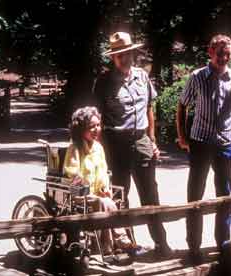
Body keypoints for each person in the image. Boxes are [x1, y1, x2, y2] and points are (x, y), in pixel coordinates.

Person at [93, 31, 171, 257]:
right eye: (119, 55)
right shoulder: (104, 82)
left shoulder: (142, 76)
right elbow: (97, 116)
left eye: (127, 53)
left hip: (142, 140)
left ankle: (161, 243)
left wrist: (153, 141)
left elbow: (149, 109)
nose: (124, 58)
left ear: (132, 53)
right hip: (116, 143)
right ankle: (127, 245)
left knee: (150, 195)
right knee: (120, 196)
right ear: (113, 58)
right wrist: (96, 149)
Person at [176, 34, 231, 263]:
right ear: (210, 52)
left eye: (228, 54)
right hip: (200, 143)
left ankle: (223, 243)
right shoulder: (197, 77)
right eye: (220, 54)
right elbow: (182, 105)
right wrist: (183, 136)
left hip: (224, 145)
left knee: (224, 194)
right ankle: (193, 246)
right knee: (195, 193)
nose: (224, 58)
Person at [63, 106, 142, 259]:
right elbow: (72, 173)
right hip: (80, 195)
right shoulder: (75, 148)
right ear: (80, 129)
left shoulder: (98, 148)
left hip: (98, 195)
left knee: (113, 202)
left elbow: (104, 172)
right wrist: (86, 187)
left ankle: (111, 248)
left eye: (98, 125)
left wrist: (105, 187)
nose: (96, 129)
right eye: (91, 126)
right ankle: (120, 242)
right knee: (106, 204)